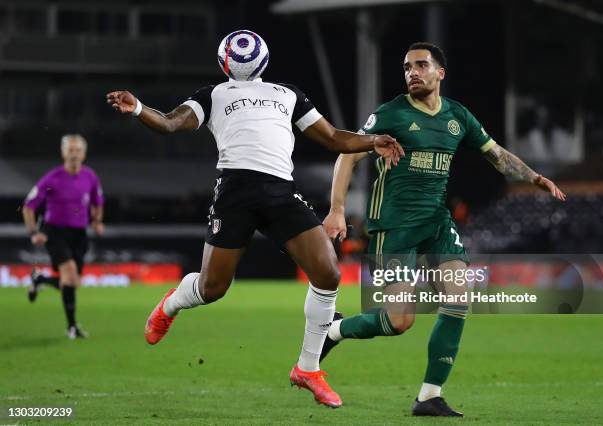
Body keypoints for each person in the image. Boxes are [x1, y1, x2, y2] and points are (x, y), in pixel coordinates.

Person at [105, 30, 403, 409]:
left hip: (281, 191)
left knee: (328, 272)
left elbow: (331, 137)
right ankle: (171, 305)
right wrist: (136, 109)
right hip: (235, 191)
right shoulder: (213, 95)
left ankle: (307, 369)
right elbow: (168, 123)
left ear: (225, 59)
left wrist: (371, 140)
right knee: (213, 289)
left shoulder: (287, 94)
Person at [321, 42, 566, 417]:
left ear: (440, 73)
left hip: (436, 222)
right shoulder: (391, 113)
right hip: (394, 227)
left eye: (421, 65)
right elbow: (348, 152)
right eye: (407, 67)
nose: (412, 73)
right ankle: (333, 331)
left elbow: (495, 154)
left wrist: (533, 177)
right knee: (398, 320)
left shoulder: (457, 117)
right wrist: (337, 210)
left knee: (458, 296)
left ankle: (429, 396)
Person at [23, 134, 105, 339]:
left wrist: (96, 222)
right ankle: (72, 328)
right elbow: (28, 206)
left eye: (78, 150)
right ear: (63, 153)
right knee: (69, 275)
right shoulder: (52, 178)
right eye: (70, 150)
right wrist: (34, 232)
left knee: (72, 282)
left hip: (79, 234)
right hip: (55, 232)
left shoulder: (90, 177)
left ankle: (39, 279)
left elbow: (98, 202)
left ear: (84, 154)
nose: (74, 154)